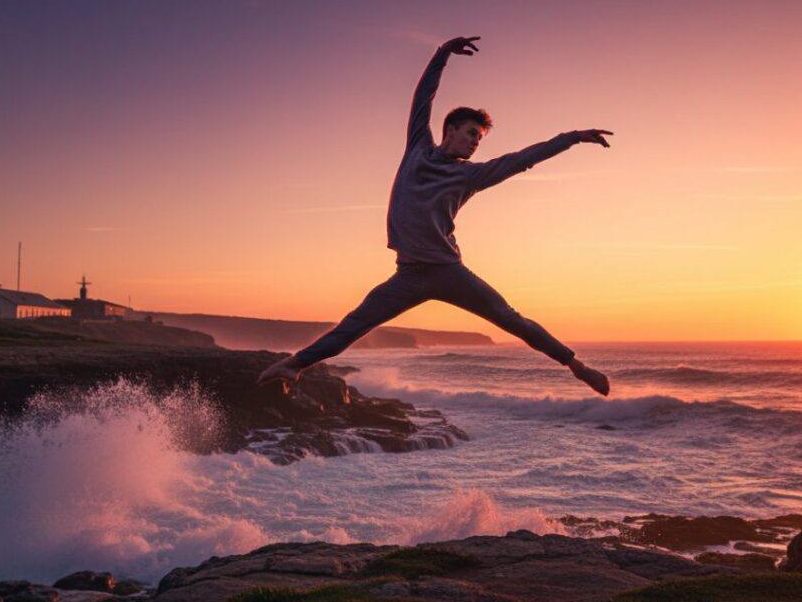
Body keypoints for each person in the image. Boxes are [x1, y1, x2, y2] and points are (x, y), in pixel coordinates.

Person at [258, 36, 612, 396]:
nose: (475, 142)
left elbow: (522, 158)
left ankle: (576, 366)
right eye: (471, 134)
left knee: (510, 319)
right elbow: (422, 99)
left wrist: (571, 138)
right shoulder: (417, 147)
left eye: (480, 139)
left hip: (449, 272)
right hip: (408, 274)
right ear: (450, 131)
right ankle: (293, 364)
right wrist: (442, 53)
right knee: (353, 325)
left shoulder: (471, 174)